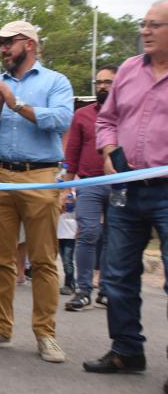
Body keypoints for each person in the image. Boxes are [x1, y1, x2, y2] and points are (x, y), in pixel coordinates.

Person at [0, 20, 74, 363]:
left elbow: (61, 120)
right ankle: (1, 328)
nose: (2, 49)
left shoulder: (55, 81)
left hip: (40, 175)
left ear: (29, 44)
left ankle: (46, 334)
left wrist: (15, 103)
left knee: (43, 260)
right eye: (0, 44)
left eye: (8, 43)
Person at [84, 0, 168, 378]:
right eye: (143, 24)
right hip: (126, 189)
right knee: (116, 275)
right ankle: (126, 351)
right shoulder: (130, 71)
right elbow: (107, 119)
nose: (145, 31)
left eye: (155, 25)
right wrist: (109, 148)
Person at [63, 65, 118, 311]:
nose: (103, 86)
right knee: (88, 233)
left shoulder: (128, 113)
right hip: (89, 183)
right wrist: (66, 187)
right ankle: (83, 290)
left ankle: (106, 289)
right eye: (99, 82)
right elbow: (71, 153)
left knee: (113, 237)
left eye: (108, 82)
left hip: (120, 183)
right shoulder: (83, 115)